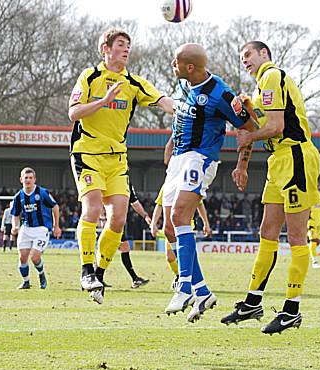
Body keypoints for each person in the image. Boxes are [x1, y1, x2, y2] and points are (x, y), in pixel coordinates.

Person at [220, 40, 320, 335]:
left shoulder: (272, 76)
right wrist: (242, 163)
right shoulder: (260, 88)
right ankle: (253, 302)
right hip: (279, 160)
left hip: (296, 156)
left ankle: (292, 310)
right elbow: (257, 129)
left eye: (248, 54)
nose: (244, 60)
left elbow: (275, 127)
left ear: (264, 54)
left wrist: (249, 137)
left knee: (297, 236)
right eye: (241, 57)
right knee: (267, 232)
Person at [68, 27, 174, 304]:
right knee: (92, 208)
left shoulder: (134, 83)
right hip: (88, 153)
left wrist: (188, 106)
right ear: (106, 48)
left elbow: (164, 102)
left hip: (117, 159)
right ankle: (86, 270)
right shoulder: (89, 76)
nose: (126, 49)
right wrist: (103, 102)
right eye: (120, 44)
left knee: (118, 218)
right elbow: (73, 112)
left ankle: (99, 274)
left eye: (128, 45)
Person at [161, 43, 255, 323]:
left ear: (190, 67)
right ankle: (203, 292)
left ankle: (186, 286)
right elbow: (183, 117)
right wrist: (170, 144)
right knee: (169, 229)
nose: (172, 65)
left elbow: (249, 127)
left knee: (180, 215)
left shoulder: (220, 93)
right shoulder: (183, 85)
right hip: (179, 158)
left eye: (176, 62)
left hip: (201, 159)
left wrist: (242, 165)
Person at [150, 183, 212, 291]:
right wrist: (153, 224)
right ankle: (181, 276)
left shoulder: (188, 185)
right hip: (170, 227)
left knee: (183, 255)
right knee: (170, 258)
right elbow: (159, 205)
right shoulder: (167, 185)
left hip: (185, 226)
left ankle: (187, 281)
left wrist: (206, 223)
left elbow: (199, 204)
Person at [10, 167, 62, 289]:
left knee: (34, 257)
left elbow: (55, 207)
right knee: (22, 257)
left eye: (30, 178)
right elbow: (15, 214)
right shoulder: (18, 197)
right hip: (26, 228)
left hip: (41, 229)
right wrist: (15, 226)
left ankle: (41, 274)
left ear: (34, 179)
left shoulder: (42, 192)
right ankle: (26, 282)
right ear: (21, 179)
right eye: (26, 178)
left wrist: (56, 226)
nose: (28, 180)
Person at [95, 180, 152, 289]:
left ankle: (97, 276)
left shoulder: (126, 182)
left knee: (117, 248)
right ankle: (97, 276)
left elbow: (134, 202)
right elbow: (99, 198)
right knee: (115, 248)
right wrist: (101, 217)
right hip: (110, 221)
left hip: (117, 222)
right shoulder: (109, 178)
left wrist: (145, 215)